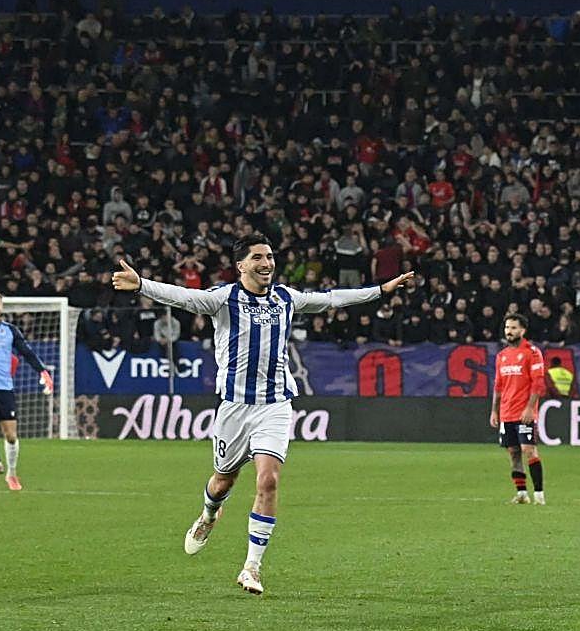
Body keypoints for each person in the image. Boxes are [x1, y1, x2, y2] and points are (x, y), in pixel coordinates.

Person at [111, 237, 416, 594]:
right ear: (240, 265)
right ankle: (209, 514)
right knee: (223, 481)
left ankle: (251, 567)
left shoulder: (285, 298)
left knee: (268, 481)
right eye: (257, 257)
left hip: (275, 406)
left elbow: (332, 298)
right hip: (235, 409)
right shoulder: (223, 299)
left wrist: (380, 289)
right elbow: (183, 296)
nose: (266, 262)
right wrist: (142, 284)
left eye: (269, 256)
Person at [0, 291, 54, 492]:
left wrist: (42, 371)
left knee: (10, 435)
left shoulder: (10, 331)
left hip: (4, 389)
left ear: (1, 307)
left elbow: (27, 353)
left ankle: (11, 474)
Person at [490, 314, 548, 503]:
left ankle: (539, 494)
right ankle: (522, 493)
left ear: (523, 330)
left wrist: (530, 408)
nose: (509, 331)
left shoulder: (532, 352)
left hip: (524, 412)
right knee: (513, 452)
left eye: (514, 328)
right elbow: (498, 387)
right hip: (506, 413)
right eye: (507, 327)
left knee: (528, 449)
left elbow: (538, 383)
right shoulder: (502, 356)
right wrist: (494, 411)